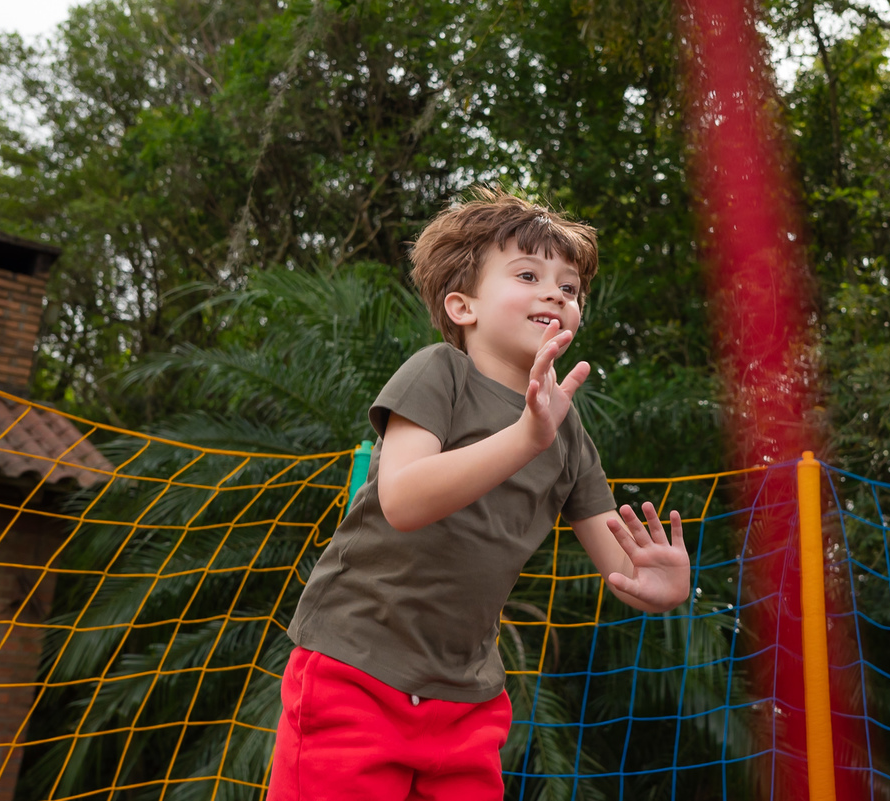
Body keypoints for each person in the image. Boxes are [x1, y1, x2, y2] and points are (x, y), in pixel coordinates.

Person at [268, 187, 691, 801]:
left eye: (570, 288)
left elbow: (622, 563)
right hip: (354, 672)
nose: (556, 294)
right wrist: (524, 437)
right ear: (462, 306)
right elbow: (405, 500)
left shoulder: (568, 433)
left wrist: (660, 584)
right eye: (529, 274)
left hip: (466, 701)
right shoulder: (439, 373)